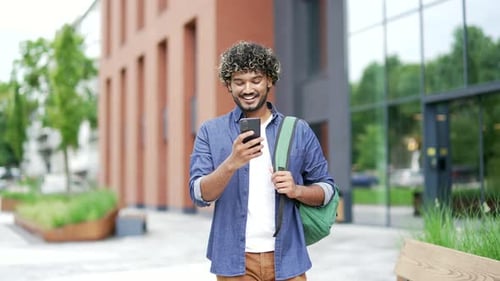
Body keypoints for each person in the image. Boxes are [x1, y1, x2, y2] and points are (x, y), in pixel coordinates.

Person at [189, 41, 335, 281]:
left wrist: (297, 190)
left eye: (255, 80)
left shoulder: (298, 130)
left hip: (288, 258)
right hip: (234, 262)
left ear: (269, 80)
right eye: (239, 82)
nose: (248, 89)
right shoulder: (210, 132)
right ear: (228, 85)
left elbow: (327, 190)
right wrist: (232, 163)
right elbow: (198, 194)